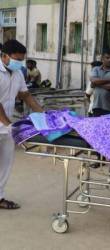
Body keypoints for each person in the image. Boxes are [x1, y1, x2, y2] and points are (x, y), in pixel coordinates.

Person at [0, 39, 43, 209]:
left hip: (7, 126)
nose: (19, 63)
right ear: (4, 56)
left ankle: (0, 197)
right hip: (6, 123)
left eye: (21, 60)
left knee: (6, 163)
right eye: (17, 59)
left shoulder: (17, 74)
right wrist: (9, 124)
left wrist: (43, 115)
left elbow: (25, 96)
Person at [90, 48, 110, 117]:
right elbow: (93, 81)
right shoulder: (96, 69)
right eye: (107, 58)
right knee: (96, 126)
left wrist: (97, 84)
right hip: (97, 106)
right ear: (102, 58)